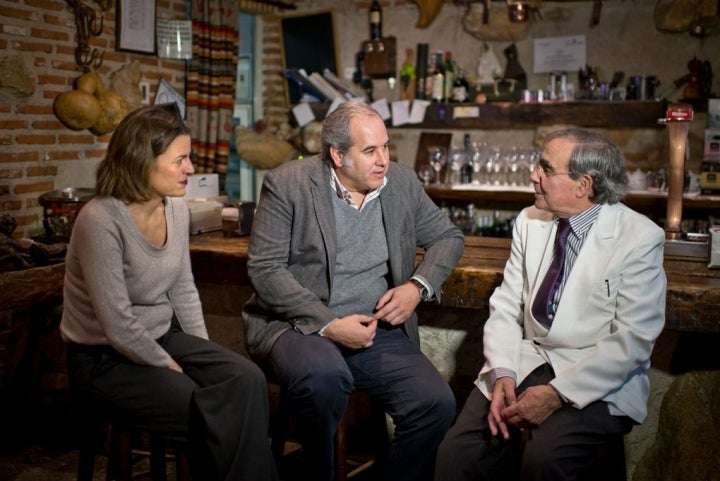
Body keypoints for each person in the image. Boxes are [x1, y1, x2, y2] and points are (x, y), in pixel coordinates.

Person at [242, 100, 465, 481]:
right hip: (298, 324)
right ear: (338, 155)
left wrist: (416, 287)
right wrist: (328, 325)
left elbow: (447, 236)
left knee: (436, 404)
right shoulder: (289, 183)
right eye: (370, 150)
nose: (383, 160)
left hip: (374, 328)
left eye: (386, 146)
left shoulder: (401, 182)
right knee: (325, 378)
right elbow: (265, 268)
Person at [60, 105, 279, 481]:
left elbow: (183, 289)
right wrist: (170, 367)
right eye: (180, 159)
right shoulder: (100, 220)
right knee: (206, 407)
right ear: (141, 160)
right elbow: (116, 324)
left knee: (246, 381)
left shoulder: (175, 210)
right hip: (102, 360)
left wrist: (202, 356)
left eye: (189, 158)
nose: (191, 169)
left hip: (161, 337)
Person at [435, 128, 667, 481]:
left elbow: (632, 341)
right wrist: (502, 373)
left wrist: (557, 395)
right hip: (527, 361)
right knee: (456, 455)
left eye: (545, 168)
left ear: (583, 185)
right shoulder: (530, 221)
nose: (533, 175)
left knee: (545, 462)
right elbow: (506, 306)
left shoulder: (639, 237)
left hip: (594, 373)